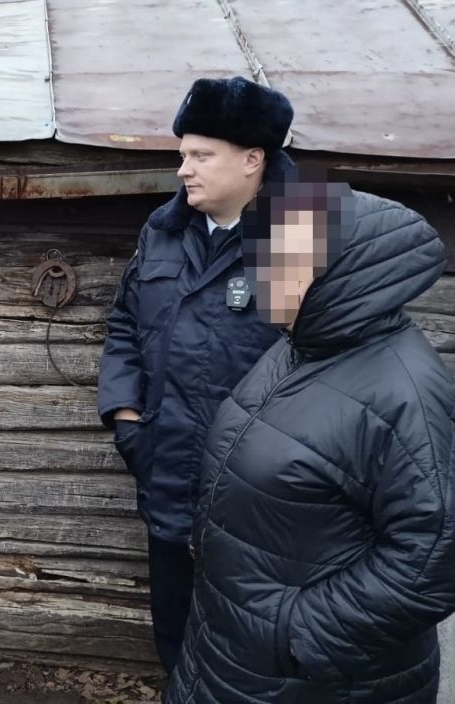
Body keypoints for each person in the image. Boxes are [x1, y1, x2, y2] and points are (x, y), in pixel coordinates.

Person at [166, 180, 455, 703]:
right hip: (232, 645)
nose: (259, 275)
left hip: (308, 677)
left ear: (336, 272)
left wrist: (298, 633)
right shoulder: (300, 346)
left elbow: (436, 554)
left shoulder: (406, 392)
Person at [97, 76, 292, 674]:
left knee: (253, 649)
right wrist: (128, 419)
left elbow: (328, 361)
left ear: (253, 160)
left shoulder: (300, 240)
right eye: (183, 154)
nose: (184, 169)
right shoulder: (163, 232)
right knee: (175, 635)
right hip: (167, 471)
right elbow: (124, 325)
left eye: (201, 155)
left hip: (261, 498)